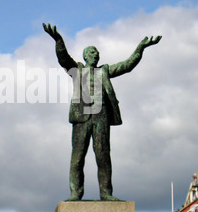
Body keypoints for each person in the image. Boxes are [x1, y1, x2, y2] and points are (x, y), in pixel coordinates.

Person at [43, 23, 162, 201]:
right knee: (77, 158)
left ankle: (106, 192)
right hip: (82, 117)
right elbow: (63, 58)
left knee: (103, 157)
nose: (96, 55)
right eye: (92, 52)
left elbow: (127, 65)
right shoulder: (77, 70)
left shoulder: (104, 71)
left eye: (97, 53)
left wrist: (141, 48)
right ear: (84, 56)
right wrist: (58, 40)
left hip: (101, 117)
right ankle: (76, 192)